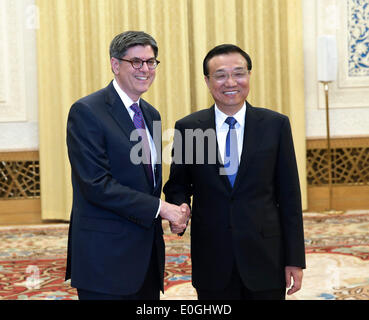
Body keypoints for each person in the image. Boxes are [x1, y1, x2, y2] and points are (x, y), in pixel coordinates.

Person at [163, 44, 306, 300]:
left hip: (266, 257)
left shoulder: (275, 125)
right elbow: (178, 185)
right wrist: (180, 207)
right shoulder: (189, 128)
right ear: (207, 81)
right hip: (212, 259)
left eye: (238, 73)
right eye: (220, 75)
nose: (231, 82)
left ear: (249, 75)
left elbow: (290, 198)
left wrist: (294, 259)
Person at [65, 31, 189, 300]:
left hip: (146, 257)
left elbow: (148, 181)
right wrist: (162, 208)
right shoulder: (87, 111)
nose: (145, 69)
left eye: (151, 62)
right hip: (105, 258)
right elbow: (95, 185)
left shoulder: (151, 114)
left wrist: (172, 209)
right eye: (136, 62)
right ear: (115, 64)